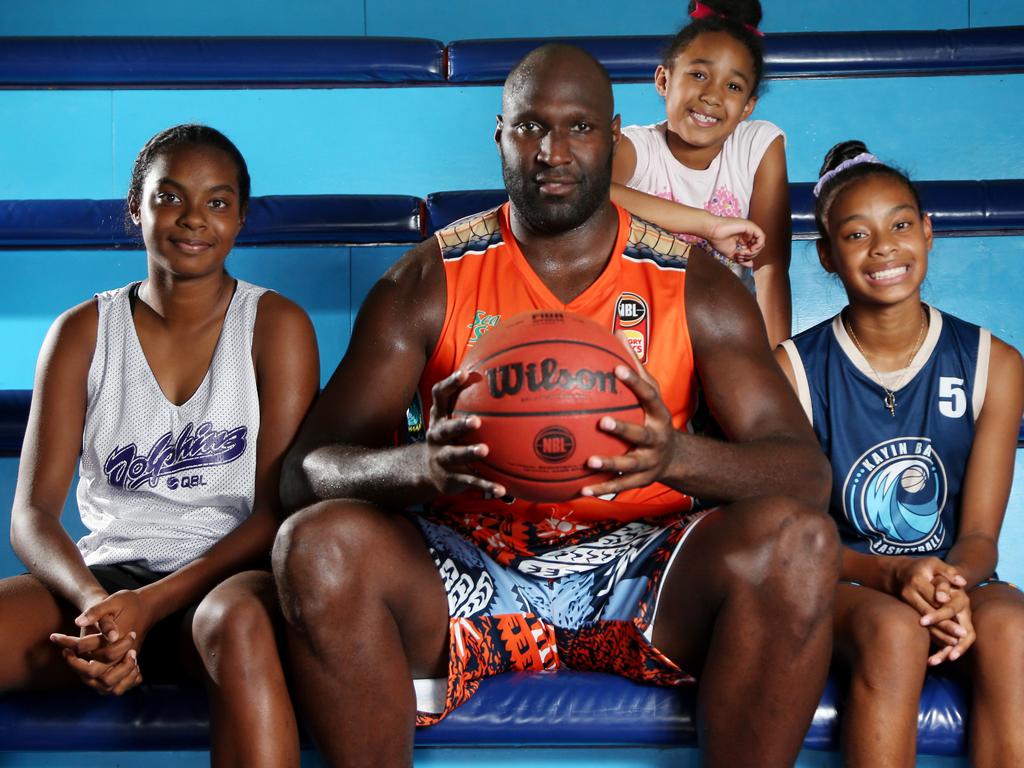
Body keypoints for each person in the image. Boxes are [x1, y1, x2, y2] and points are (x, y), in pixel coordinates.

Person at [274, 44, 836, 768]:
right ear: (501, 134)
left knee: (799, 545)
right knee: (314, 547)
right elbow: (305, 474)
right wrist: (424, 465)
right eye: (531, 127)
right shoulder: (429, 280)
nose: (552, 151)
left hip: (644, 563)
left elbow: (804, 477)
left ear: (614, 134)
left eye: (578, 128)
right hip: (467, 559)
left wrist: (675, 455)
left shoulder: (695, 284)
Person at [1, 125, 319, 768]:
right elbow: (31, 518)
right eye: (170, 197)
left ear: (242, 218)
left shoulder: (275, 327)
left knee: (240, 625)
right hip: (107, 584)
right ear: (135, 209)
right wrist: (97, 608)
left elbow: (273, 516)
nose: (193, 219)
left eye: (218, 202)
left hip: (227, 580)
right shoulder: (82, 332)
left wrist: (150, 607)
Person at [775, 141, 1024, 767]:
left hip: (950, 573)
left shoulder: (995, 363)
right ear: (828, 256)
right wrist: (896, 580)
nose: (884, 247)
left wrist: (950, 586)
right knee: (893, 634)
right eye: (857, 235)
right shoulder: (794, 371)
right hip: (843, 581)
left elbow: (979, 538)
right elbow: (796, 541)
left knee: (1013, 627)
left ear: (930, 232)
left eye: (902, 224)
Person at [611, 0, 792, 347]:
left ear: (747, 108)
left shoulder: (758, 144)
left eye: (733, 86)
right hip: (641, 332)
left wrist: (776, 364)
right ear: (664, 80)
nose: (712, 96)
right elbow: (593, 192)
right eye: (698, 75)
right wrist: (709, 226)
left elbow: (769, 269)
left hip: (726, 336)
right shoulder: (638, 147)